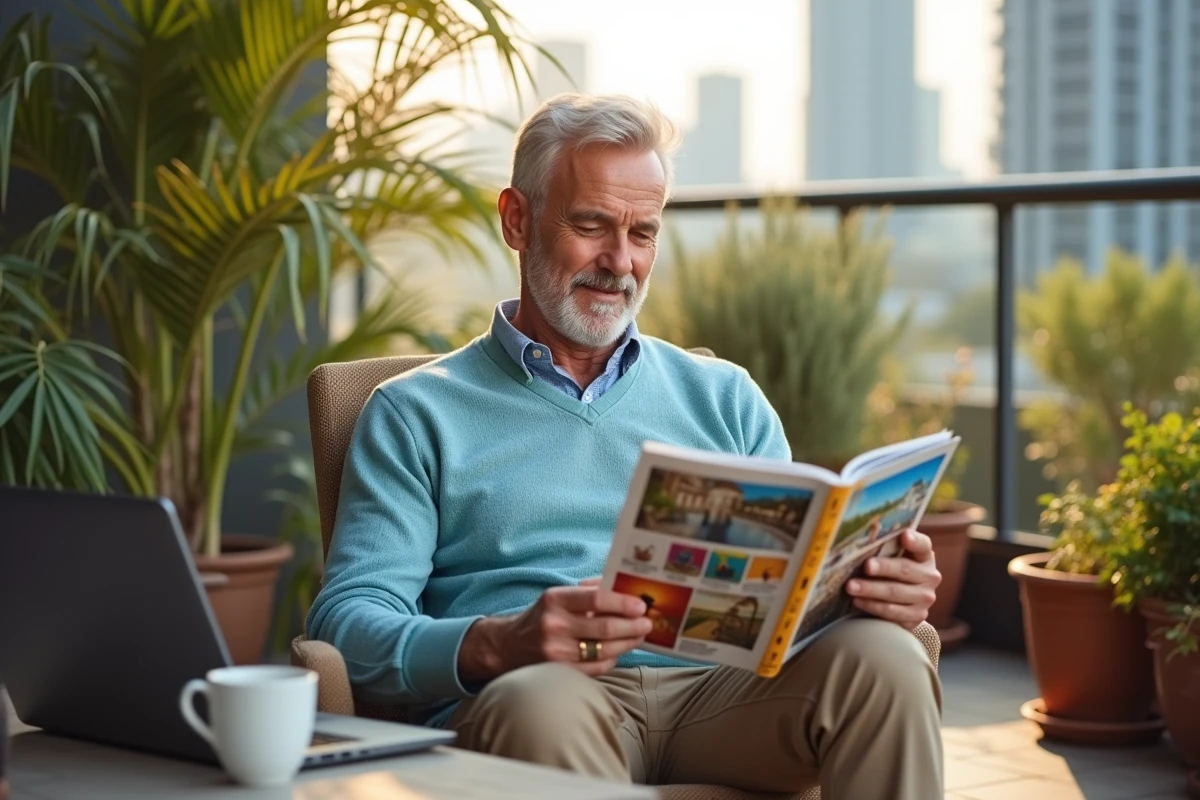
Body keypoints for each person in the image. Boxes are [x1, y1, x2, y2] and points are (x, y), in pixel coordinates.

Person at [307, 94, 943, 798]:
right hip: (543, 700)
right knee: (538, 702)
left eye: (644, 232)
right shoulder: (414, 411)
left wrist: (872, 590)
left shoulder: (725, 397)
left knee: (887, 658)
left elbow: (788, 600)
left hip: (724, 702)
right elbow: (346, 624)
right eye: (591, 225)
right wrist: (501, 640)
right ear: (517, 219)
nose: (620, 262)